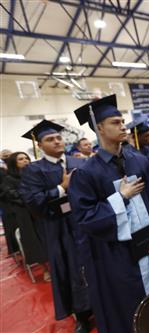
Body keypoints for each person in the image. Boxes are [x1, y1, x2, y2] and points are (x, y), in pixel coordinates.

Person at [70, 95, 149, 333]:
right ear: (99, 128)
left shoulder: (140, 161)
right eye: (114, 122)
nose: (123, 125)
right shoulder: (86, 173)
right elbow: (85, 218)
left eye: (122, 120)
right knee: (133, 307)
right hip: (120, 256)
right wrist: (120, 197)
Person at [19, 120, 92, 333]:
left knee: (92, 263)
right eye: (50, 139)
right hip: (59, 228)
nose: (57, 141)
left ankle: (100, 302)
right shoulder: (34, 170)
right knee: (70, 269)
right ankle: (82, 314)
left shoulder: (78, 162)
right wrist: (61, 188)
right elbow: (32, 200)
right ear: (39, 145)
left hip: (84, 222)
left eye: (58, 137)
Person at [3, 152, 49, 273]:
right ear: (14, 163)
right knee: (36, 242)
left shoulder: (36, 174)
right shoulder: (9, 180)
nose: (25, 160)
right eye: (21, 159)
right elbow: (16, 196)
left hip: (42, 210)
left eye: (26, 158)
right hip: (27, 215)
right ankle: (45, 269)